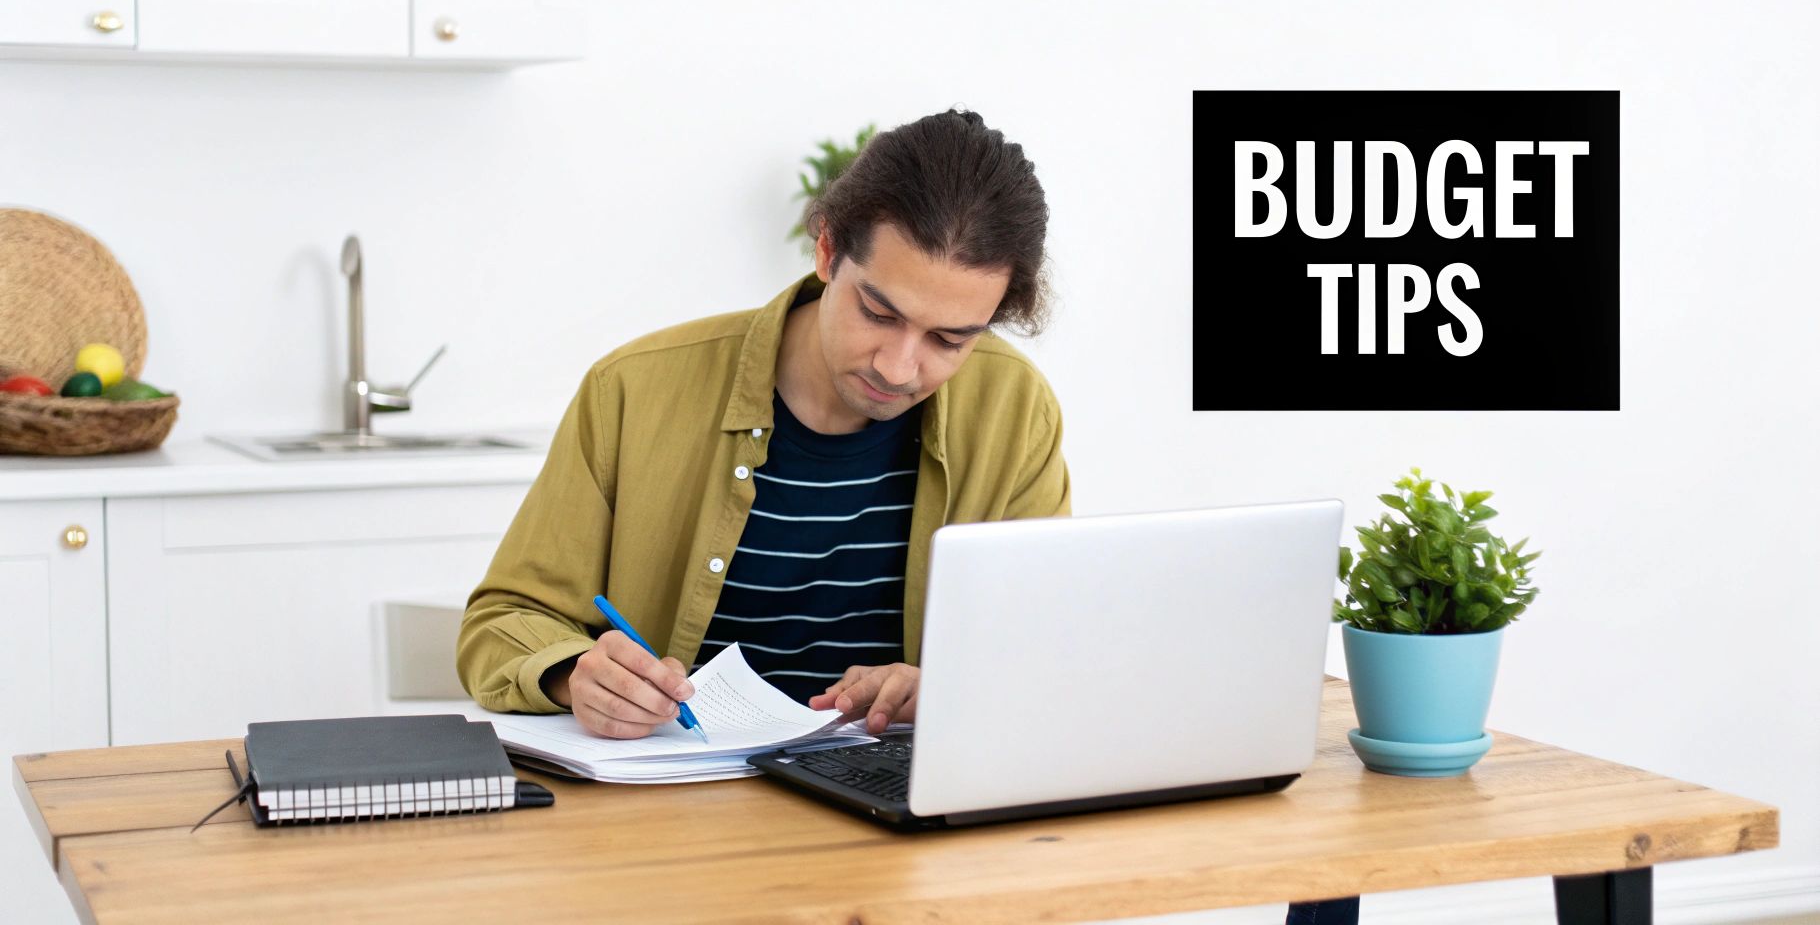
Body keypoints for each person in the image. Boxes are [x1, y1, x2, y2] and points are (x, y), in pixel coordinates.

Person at [453, 106, 1356, 925]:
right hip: (673, 837)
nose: (900, 365)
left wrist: (947, 685)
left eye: (949, 339)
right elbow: (503, 620)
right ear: (826, 250)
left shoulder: (1014, 408)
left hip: (900, 826)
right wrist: (574, 672)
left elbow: (1047, 653)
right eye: (878, 312)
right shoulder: (637, 390)